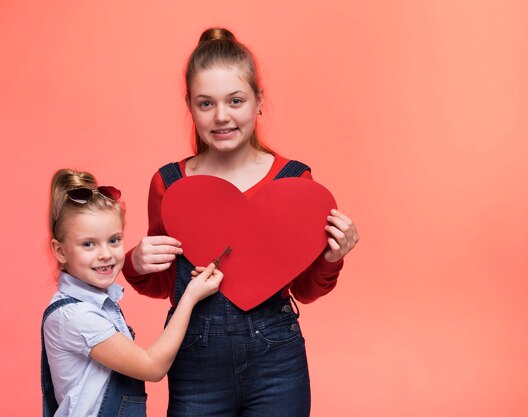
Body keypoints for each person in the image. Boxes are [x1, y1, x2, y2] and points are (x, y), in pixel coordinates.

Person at [123, 27, 359, 417]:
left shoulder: (293, 183)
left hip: (277, 362)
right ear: (190, 105)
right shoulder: (170, 184)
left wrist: (332, 256)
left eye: (235, 100)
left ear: (258, 101)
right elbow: (165, 284)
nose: (221, 116)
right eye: (205, 103)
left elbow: (306, 289)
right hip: (194, 362)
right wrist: (136, 262)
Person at [42, 169, 224, 417]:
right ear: (60, 251)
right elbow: (152, 367)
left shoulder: (99, 305)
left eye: (114, 240)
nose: (105, 253)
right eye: (88, 244)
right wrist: (189, 297)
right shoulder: (75, 316)